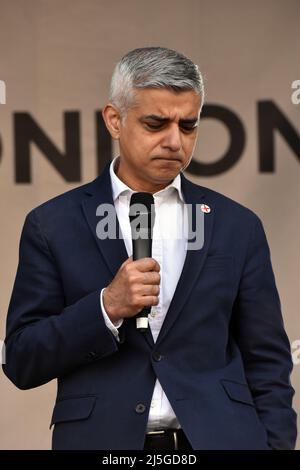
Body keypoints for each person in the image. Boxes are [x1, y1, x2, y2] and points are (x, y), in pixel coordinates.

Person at [3, 47, 297, 450]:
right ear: (114, 120)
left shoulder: (236, 226)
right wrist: (106, 307)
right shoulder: (53, 224)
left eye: (188, 126)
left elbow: (269, 362)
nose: (174, 141)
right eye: (156, 123)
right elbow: (21, 358)